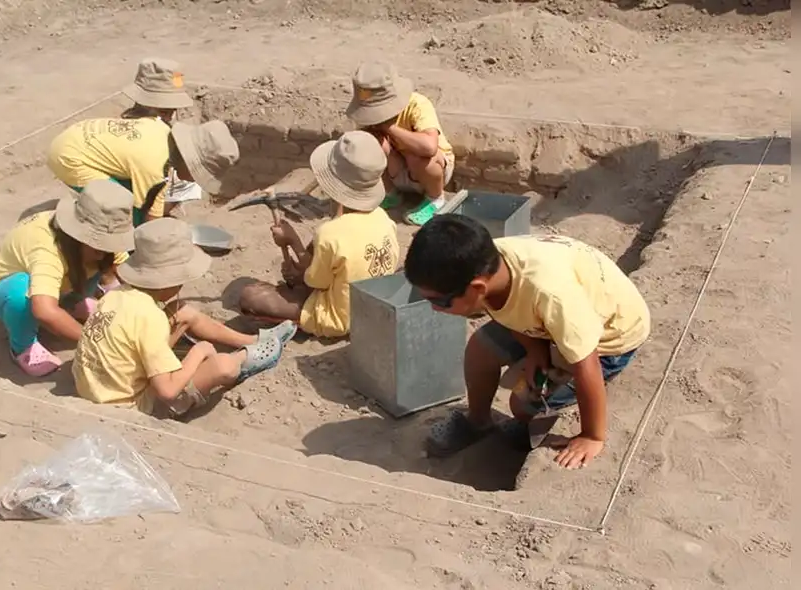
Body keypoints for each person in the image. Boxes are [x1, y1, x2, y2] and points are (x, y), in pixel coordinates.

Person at [403, 215, 651, 469]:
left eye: (440, 301)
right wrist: (535, 350)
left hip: (609, 337)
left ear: (477, 288)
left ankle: (535, 421)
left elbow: (586, 363)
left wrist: (592, 436)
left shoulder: (552, 295)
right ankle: (478, 421)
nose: (434, 308)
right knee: (480, 349)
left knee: (522, 405)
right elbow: (512, 310)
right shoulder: (488, 267)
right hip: (550, 325)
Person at [72, 217, 290, 419]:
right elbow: (167, 391)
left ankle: (251, 340)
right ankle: (243, 358)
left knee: (182, 312)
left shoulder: (114, 296)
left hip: (97, 389)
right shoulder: (151, 318)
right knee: (223, 366)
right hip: (128, 406)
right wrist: (200, 351)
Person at [238, 130, 400, 339]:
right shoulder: (384, 219)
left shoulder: (330, 234)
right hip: (371, 310)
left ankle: (298, 321)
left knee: (250, 297)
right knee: (317, 251)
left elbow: (315, 283)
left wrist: (293, 241)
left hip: (338, 318)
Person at [0, 180, 136, 377]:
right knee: (21, 293)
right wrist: (96, 342)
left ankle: (71, 304)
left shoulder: (101, 231)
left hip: (58, 282)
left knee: (103, 261)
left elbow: (123, 270)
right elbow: (44, 310)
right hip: (8, 289)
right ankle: (23, 346)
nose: (103, 251)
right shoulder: (47, 248)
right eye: (99, 245)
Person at [46, 117, 239, 226]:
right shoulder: (155, 168)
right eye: (196, 174)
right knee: (119, 211)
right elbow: (151, 221)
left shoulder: (163, 130)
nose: (194, 180)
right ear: (189, 161)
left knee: (140, 198)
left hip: (79, 135)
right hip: (69, 157)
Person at [345, 61, 455, 227]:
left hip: (431, 171)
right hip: (397, 171)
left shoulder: (417, 104)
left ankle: (435, 199)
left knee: (418, 155)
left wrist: (389, 128)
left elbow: (429, 147)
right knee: (371, 143)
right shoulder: (367, 116)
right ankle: (391, 193)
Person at [119, 57, 203, 213]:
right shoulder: (129, 128)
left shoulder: (165, 128)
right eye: (164, 111)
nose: (170, 115)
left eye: (173, 110)